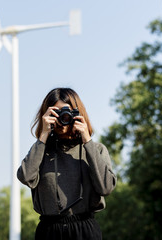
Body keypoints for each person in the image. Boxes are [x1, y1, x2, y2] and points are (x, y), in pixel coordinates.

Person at [17, 87, 117, 240]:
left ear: (77, 114)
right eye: (56, 113)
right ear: (47, 115)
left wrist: (86, 139)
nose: (62, 119)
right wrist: (43, 135)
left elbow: (106, 187)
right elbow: (25, 176)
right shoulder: (41, 151)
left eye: (67, 112)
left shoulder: (96, 149)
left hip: (85, 230)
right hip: (49, 230)